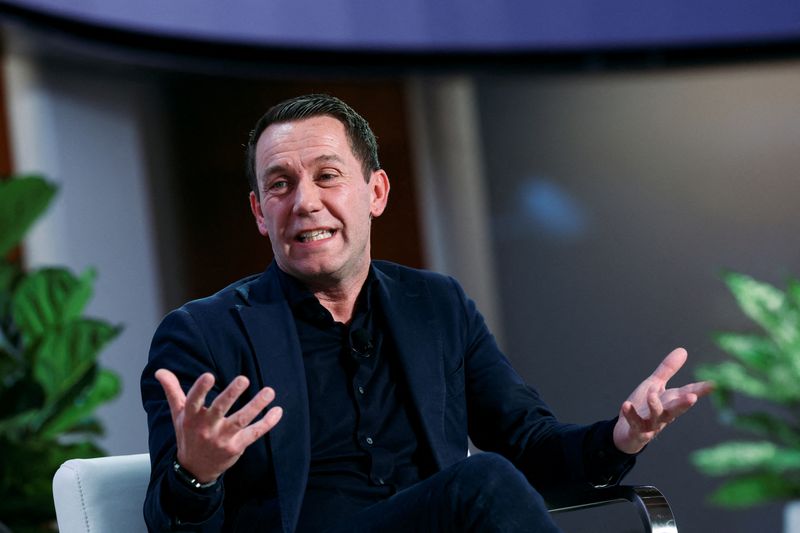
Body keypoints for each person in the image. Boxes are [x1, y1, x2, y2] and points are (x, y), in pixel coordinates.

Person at [141, 93, 712, 532]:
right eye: (280, 184)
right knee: (481, 482)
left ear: (376, 192)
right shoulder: (203, 336)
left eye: (327, 175)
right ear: (261, 214)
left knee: (485, 480)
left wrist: (621, 437)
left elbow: (531, 446)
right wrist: (198, 472)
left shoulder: (435, 306)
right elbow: (172, 525)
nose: (305, 201)